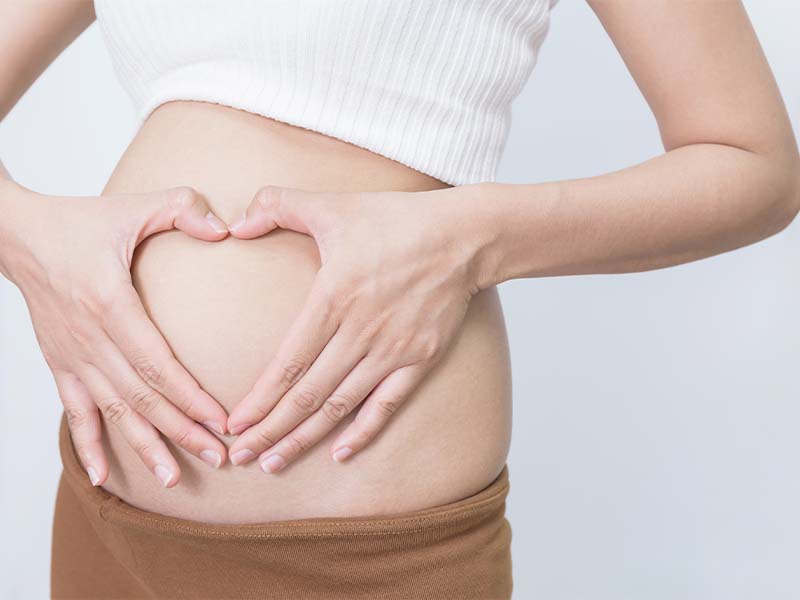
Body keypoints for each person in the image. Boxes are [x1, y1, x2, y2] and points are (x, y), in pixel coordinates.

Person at [1, 1, 798, 598]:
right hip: (109, 514)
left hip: (368, 554)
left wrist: (468, 237)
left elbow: (753, 163)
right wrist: (31, 241)